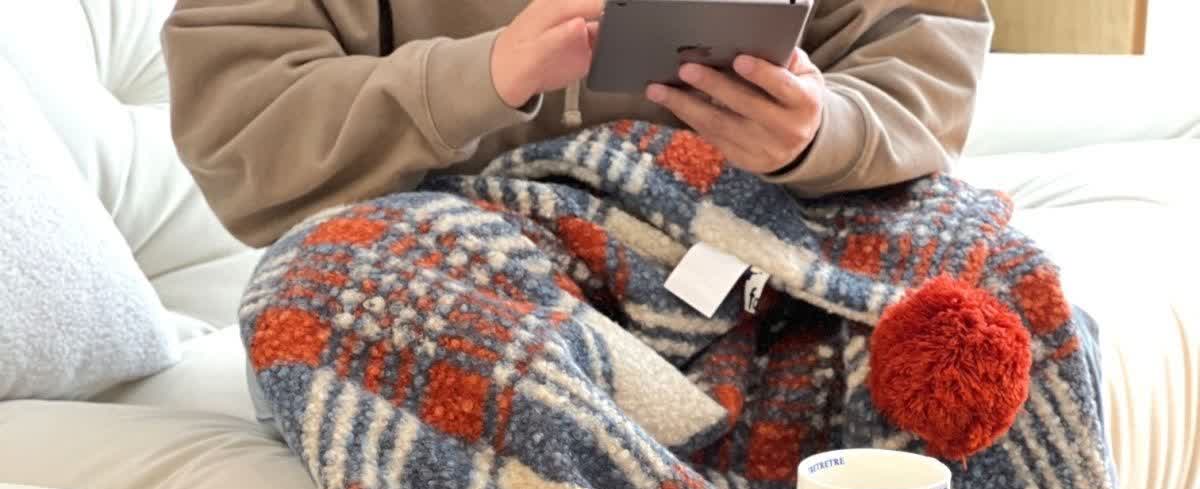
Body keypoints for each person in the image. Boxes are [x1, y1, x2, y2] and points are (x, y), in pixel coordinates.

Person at [164, 0, 992, 249]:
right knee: (321, 289)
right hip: (455, 262)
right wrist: (483, 75)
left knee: (983, 275)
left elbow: (922, 44)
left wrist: (822, 133)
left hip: (750, 251)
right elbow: (241, 128)